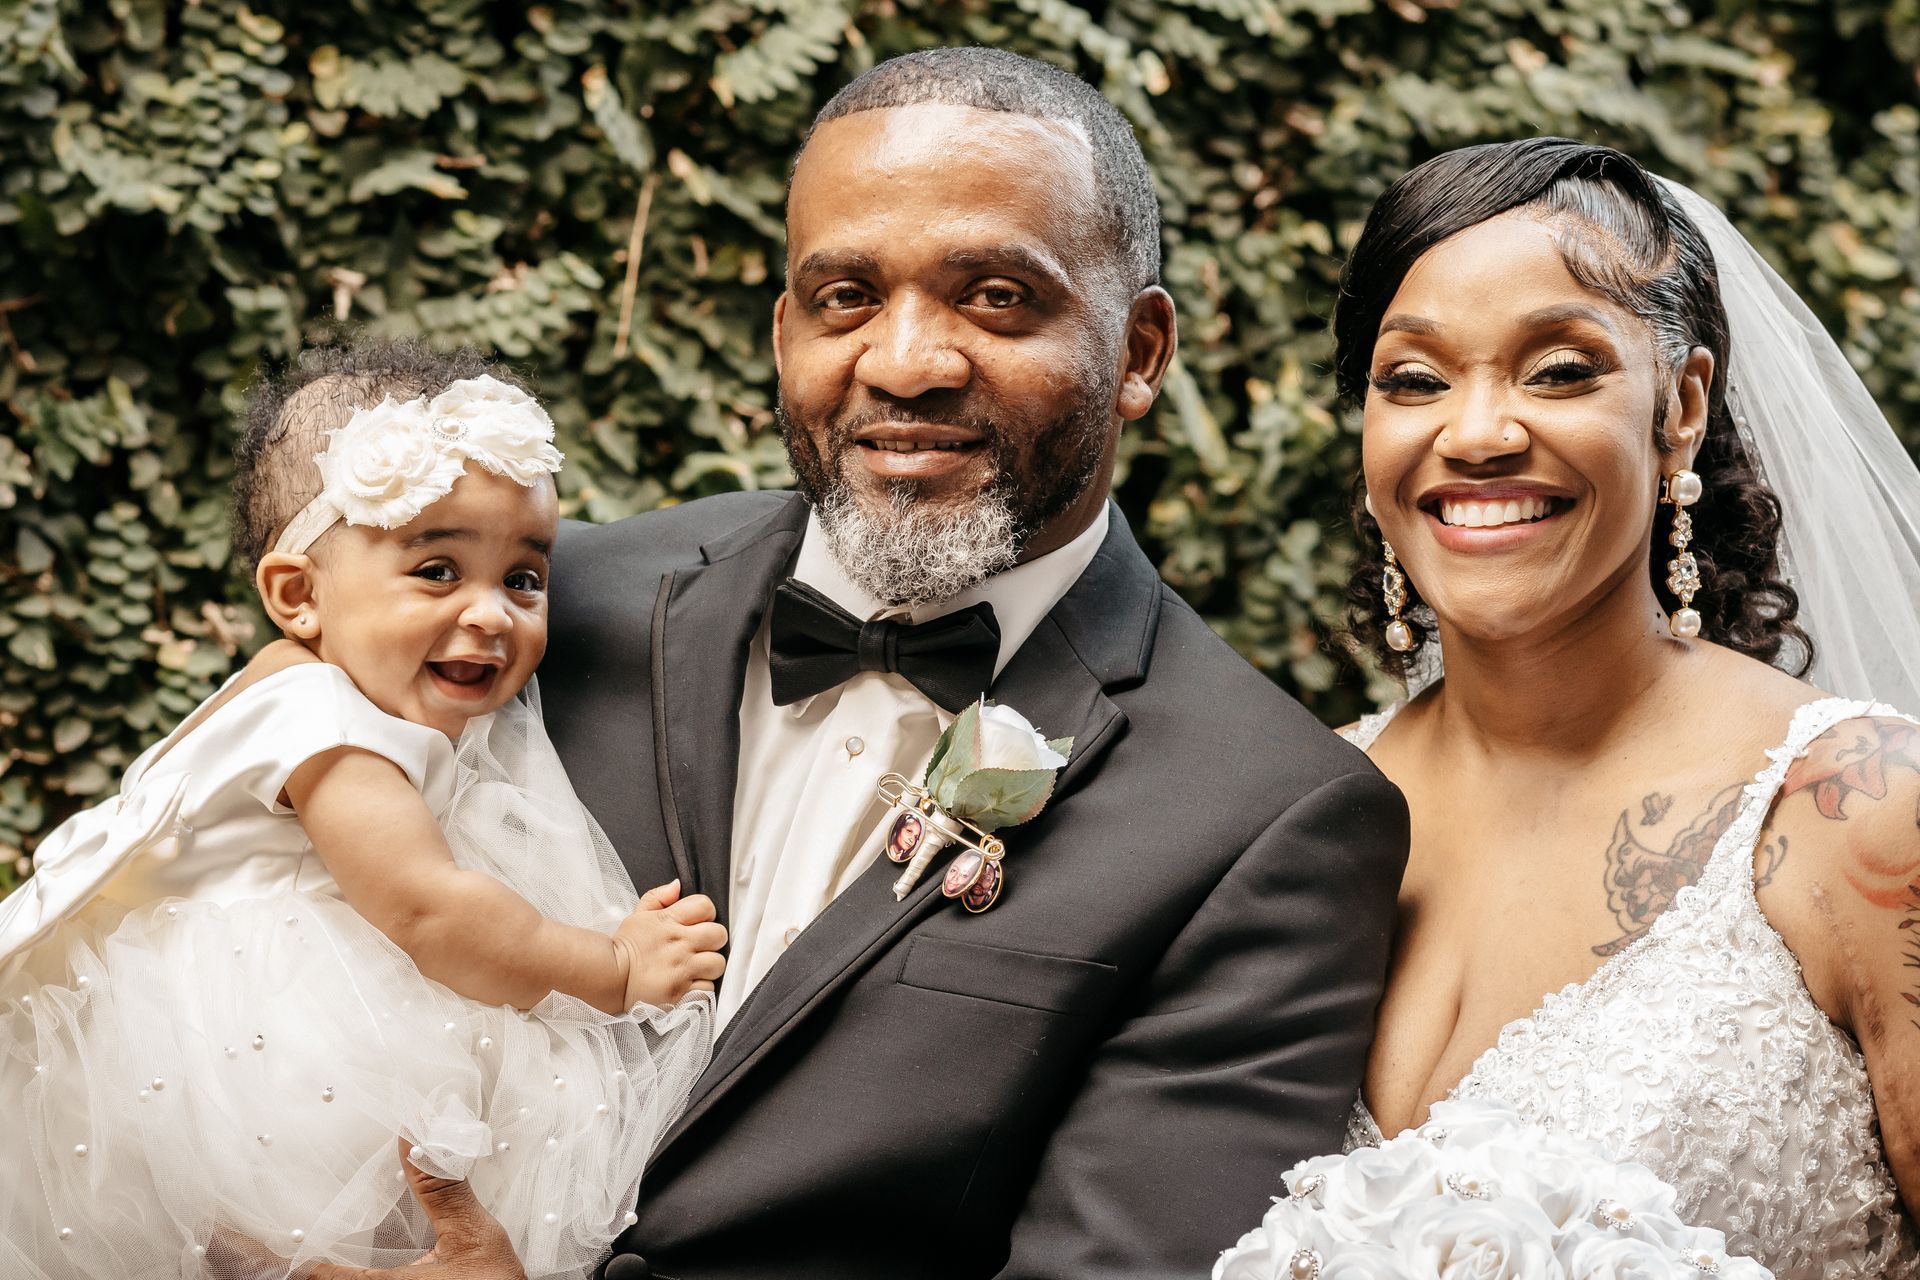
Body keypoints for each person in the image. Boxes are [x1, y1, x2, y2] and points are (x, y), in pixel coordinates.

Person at [322, 46, 1409, 1280]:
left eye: (996, 296)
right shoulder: (541, 609)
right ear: (784, 332)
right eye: (845, 296)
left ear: (1140, 349)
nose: (905, 362)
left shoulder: (1267, 817)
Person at [0, 343, 724, 1279]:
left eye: (523, 578)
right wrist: (614, 967)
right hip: (246, 1051)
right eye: (437, 570)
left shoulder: (298, 691)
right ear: (298, 595)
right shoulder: (326, 725)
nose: (491, 613)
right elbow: (431, 911)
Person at [1331, 138, 1920, 1276]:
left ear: (1680, 407)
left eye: (1559, 370)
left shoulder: (1864, 811)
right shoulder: (1304, 806)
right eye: (1414, 380)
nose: (1478, 433)